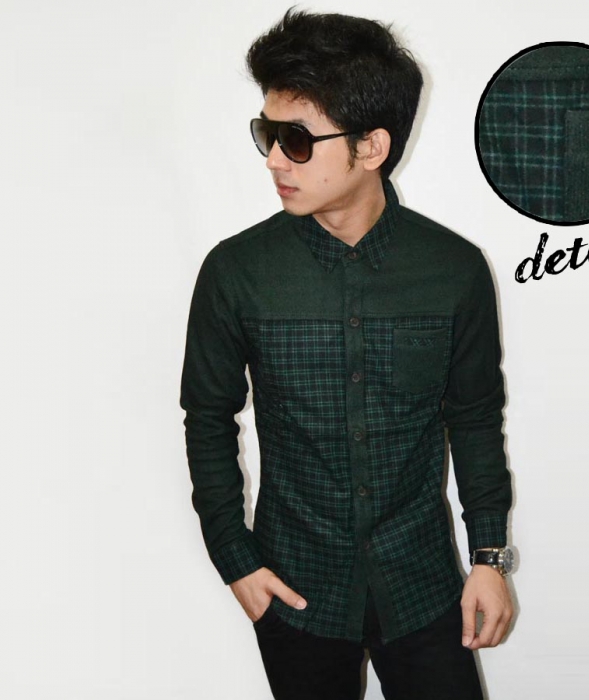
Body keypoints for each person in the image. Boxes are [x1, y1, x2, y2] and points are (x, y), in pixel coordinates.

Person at [180, 9, 514, 700]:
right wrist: (234, 558)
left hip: (424, 588)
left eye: (296, 140)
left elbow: (475, 416)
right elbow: (208, 417)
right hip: (295, 592)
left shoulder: (453, 270)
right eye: (267, 134)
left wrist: (489, 556)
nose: (274, 159)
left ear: (372, 147)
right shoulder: (237, 272)